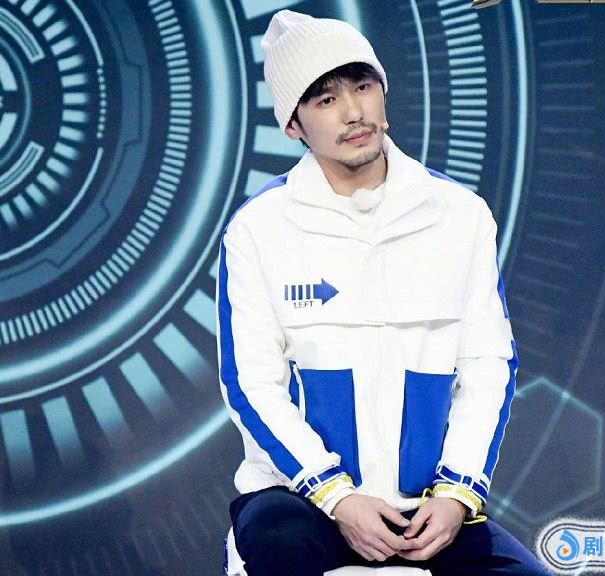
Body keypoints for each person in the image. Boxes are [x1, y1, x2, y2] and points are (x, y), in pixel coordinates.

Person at [216, 9, 550, 576]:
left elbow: (488, 364)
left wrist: (458, 494)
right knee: (278, 539)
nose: (353, 112)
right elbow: (251, 384)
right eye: (325, 100)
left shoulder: (460, 215)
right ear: (293, 125)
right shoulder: (258, 229)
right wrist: (336, 496)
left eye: (363, 87)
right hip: (300, 501)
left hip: (426, 508)